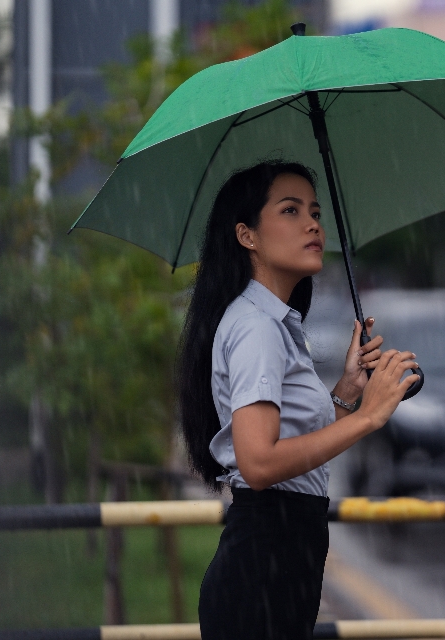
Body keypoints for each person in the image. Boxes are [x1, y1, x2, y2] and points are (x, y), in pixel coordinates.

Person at [178, 160, 420, 640]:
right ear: (247, 236)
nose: (313, 224)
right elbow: (260, 464)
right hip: (263, 566)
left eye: (314, 210)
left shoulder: (273, 324)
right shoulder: (256, 327)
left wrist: (347, 394)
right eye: (290, 210)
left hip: (280, 561)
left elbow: (290, 447)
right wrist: (369, 417)